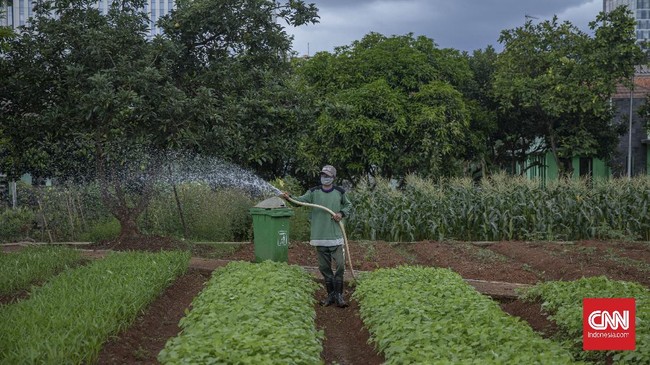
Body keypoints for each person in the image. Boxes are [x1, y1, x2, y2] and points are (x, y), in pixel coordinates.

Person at [281, 165, 352, 308]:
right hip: (320, 235)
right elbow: (299, 202)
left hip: (335, 235)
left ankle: (339, 295)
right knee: (324, 267)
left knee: (339, 265)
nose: (324, 178)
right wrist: (289, 198)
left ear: (333, 177)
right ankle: (330, 295)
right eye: (322, 175)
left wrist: (341, 214)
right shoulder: (314, 192)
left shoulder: (340, 192)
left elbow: (348, 206)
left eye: (327, 175)